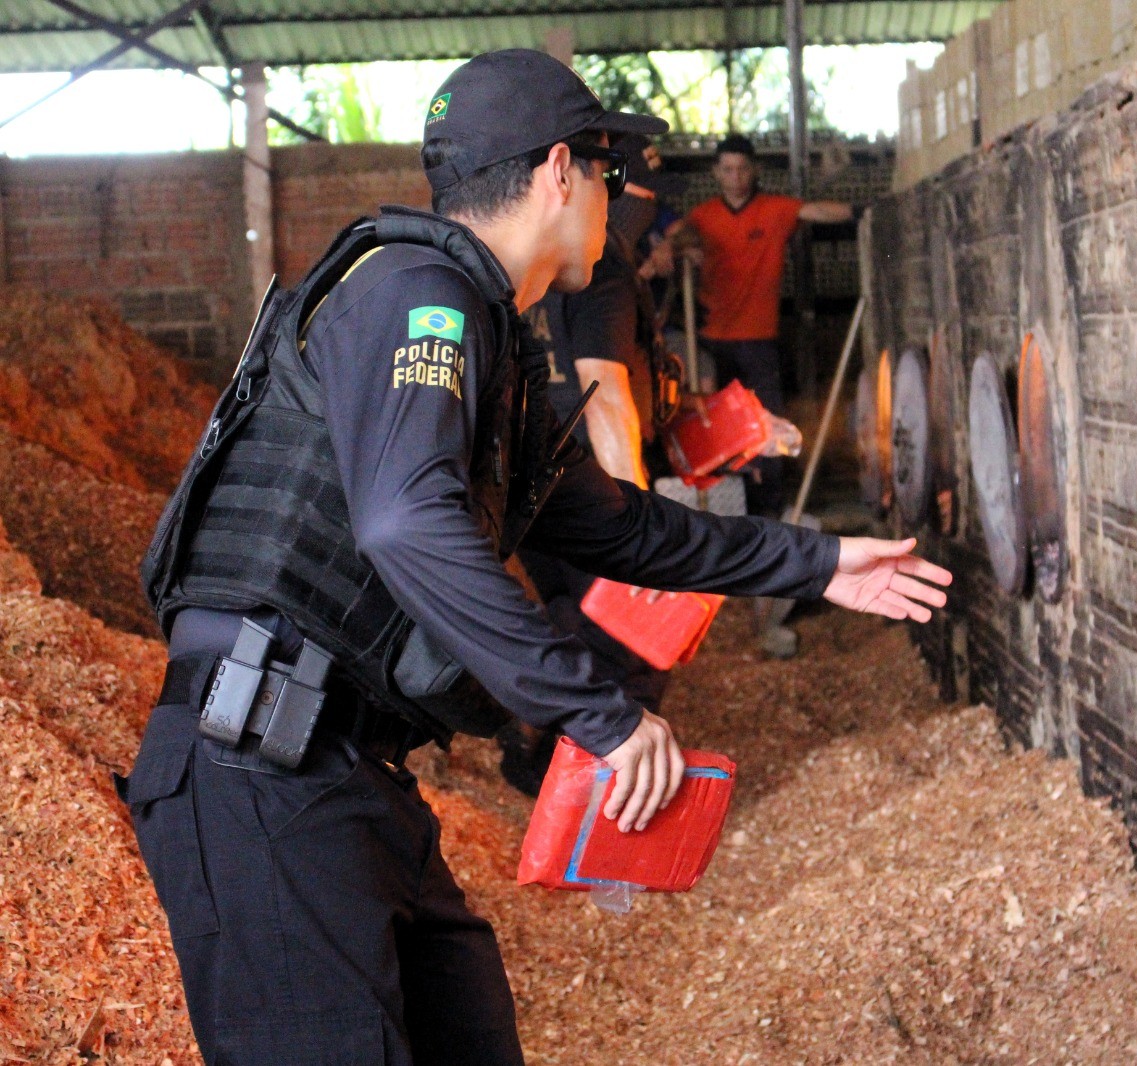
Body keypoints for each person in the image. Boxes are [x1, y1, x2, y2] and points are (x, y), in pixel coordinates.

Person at [125, 50, 952, 1065]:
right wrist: (598, 714)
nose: (619, 201)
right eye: (611, 174)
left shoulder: (489, 334)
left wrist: (817, 562)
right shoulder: (415, 294)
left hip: (343, 773)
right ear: (562, 170)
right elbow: (404, 519)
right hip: (254, 773)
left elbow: (619, 528)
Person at [505, 135, 675, 794]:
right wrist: (635, 537)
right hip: (591, 486)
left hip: (536, 481)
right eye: (630, 189)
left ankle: (547, 771)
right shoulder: (601, 271)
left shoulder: (546, 263)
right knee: (626, 649)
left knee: (569, 629)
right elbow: (604, 396)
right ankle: (592, 801)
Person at [682, 134, 854, 515]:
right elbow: (675, 240)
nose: (736, 176)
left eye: (742, 168)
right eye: (727, 169)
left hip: (759, 342)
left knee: (765, 429)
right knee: (720, 431)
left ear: (754, 170)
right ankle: (724, 514)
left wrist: (861, 210)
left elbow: (819, 211)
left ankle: (769, 517)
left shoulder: (775, 210)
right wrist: (681, 249)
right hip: (711, 344)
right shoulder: (702, 217)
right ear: (716, 173)